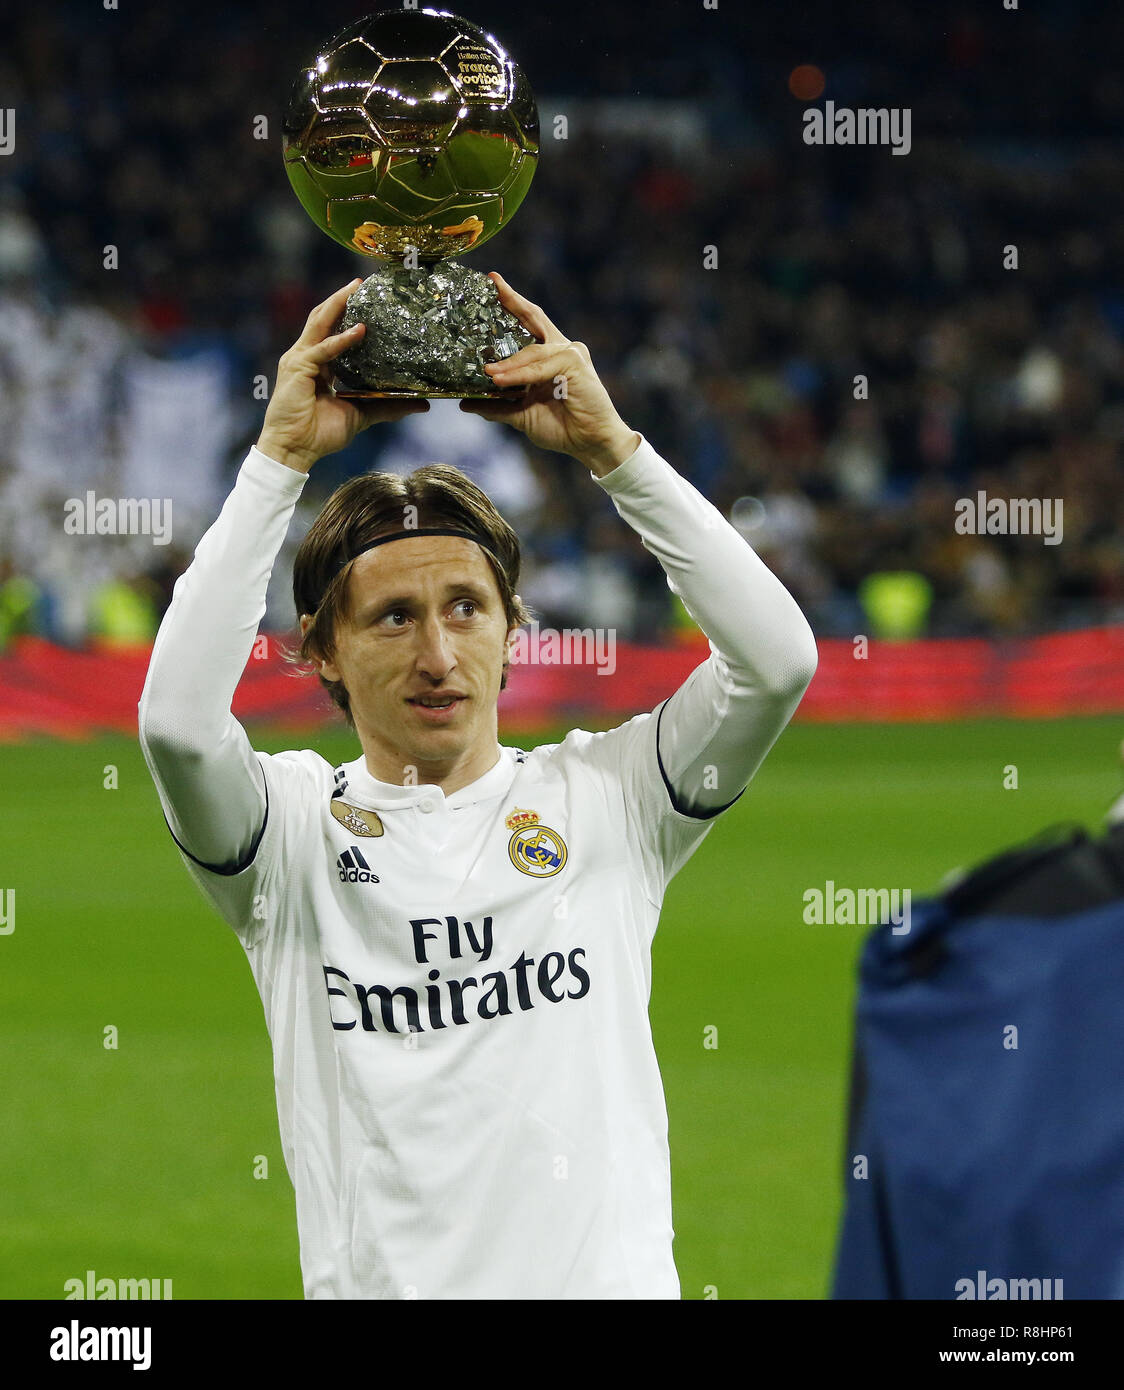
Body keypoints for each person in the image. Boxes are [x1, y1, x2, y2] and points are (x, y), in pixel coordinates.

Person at [138, 271, 819, 1299]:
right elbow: (178, 727)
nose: (437, 653)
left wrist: (613, 452)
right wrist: (278, 461)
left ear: (512, 635)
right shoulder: (289, 836)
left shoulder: (611, 797)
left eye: (465, 608)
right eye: (393, 616)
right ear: (320, 649)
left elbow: (775, 661)